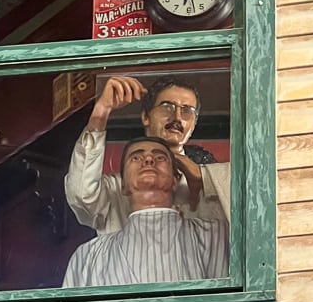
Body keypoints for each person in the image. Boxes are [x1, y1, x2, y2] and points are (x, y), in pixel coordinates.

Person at [64, 74, 230, 234]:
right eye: (167, 107)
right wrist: (101, 111)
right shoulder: (117, 190)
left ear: (193, 124)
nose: (177, 117)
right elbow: (81, 195)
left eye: (187, 111)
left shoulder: (211, 185)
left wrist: (203, 177)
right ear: (145, 117)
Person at [62, 135, 229, 288]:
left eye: (160, 158)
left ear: (175, 181)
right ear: (123, 185)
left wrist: (203, 175)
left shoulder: (216, 235)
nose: (149, 160)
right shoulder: (88, 256)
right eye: (136, 157)